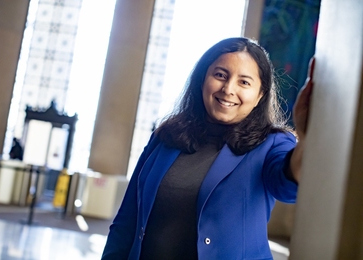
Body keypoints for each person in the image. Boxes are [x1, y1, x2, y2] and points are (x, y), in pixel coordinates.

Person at [101, 37, 314, 259]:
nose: (228, 89)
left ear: (260, 94)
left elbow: (288, 187)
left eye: (244, 82)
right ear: (203, 79)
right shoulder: (166, 136)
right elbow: (127, 221)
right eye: (220, 75)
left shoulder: (272, 143)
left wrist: (307, 138)